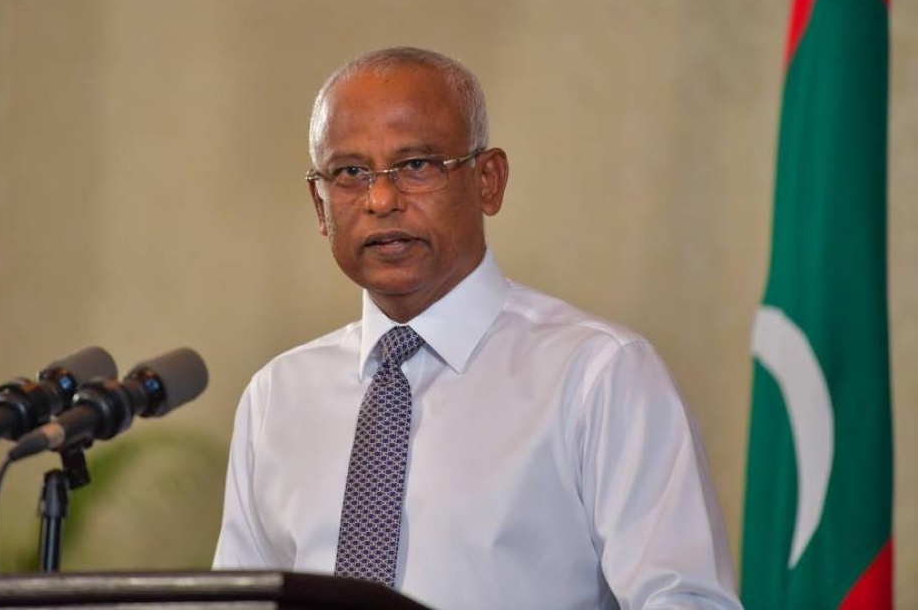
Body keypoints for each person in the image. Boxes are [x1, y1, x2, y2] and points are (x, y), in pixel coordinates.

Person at [213, 47, 742, 610]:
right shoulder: (277, 396)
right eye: (350, 173)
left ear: (488, 181)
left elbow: (686, 602)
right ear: (320, 205)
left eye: (417, 166)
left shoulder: (598, 375)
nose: (381, 199)